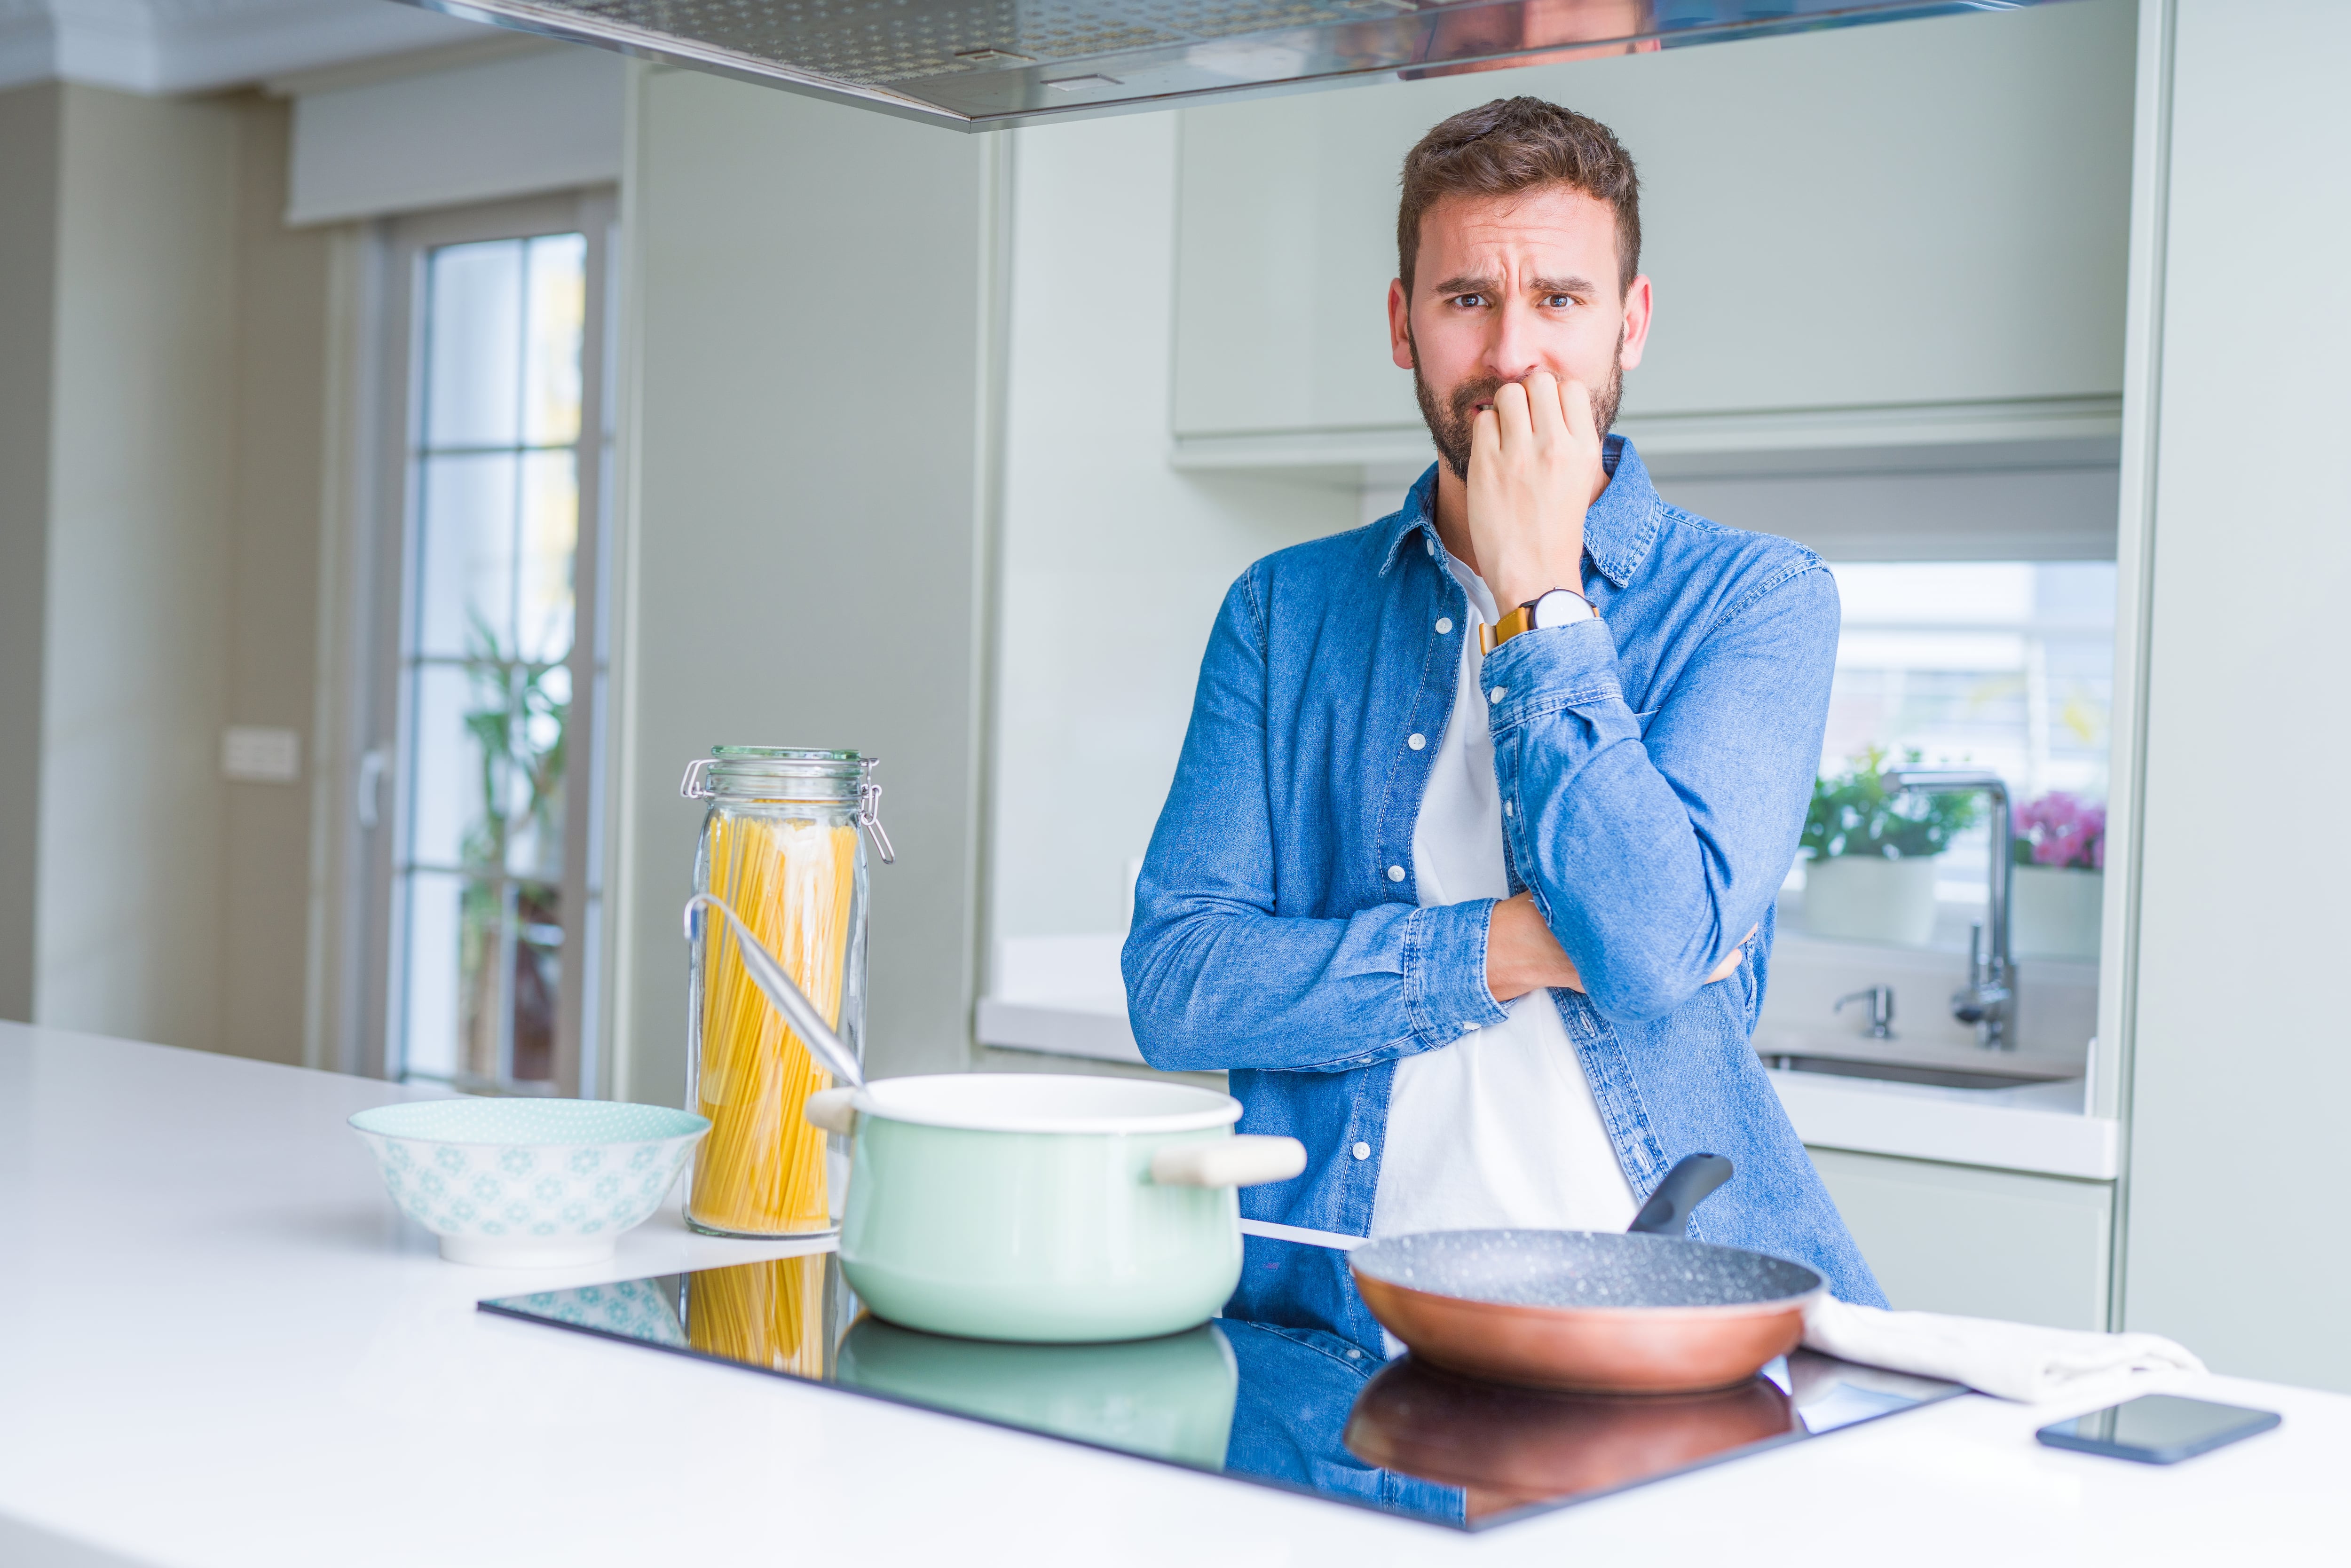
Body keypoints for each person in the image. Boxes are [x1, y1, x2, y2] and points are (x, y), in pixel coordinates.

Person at [1123, 96, 1886, 1350]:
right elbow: (1179, 986)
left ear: (1631, 322)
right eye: (1468, 298)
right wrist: (1510, 946)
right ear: (1403, 323)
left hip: (1660, 1325)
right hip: (1333, 1324)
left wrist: (1540, 595)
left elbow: (1649, 952)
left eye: (1561, 300)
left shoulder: (1758, 600)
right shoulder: (1282, 612)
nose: (1513, 352)